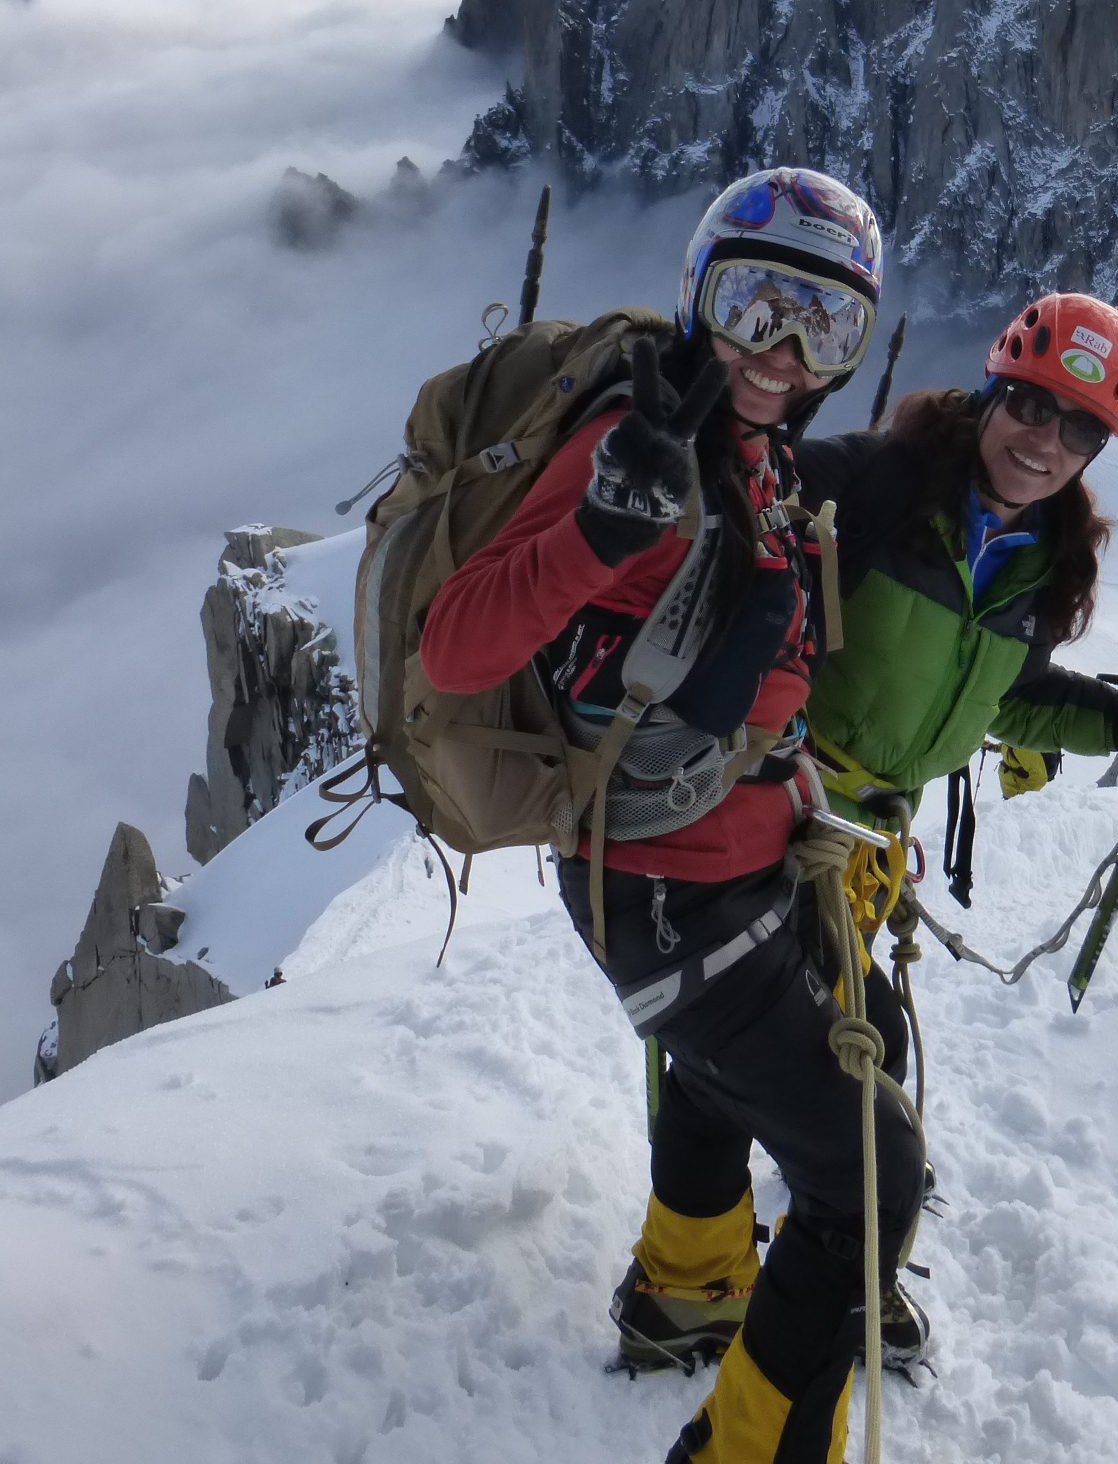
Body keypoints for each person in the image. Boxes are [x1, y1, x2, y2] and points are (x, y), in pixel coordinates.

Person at [611, 289, 1118, 1383]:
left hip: (858, 851)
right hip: (768, 820)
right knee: (844, 1067)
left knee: (730, 1067)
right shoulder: (871, 485)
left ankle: (689, 1288)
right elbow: (729, 521)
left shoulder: (1033, 558)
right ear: (994, 386)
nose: (1047, 441)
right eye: (1032, 405)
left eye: (1082, 428)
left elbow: (1005, 700)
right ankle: (805, 1275)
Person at [418, 167, 917, 1464]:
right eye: (758, 308)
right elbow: (460, 647)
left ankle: (686, 1289)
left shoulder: (754, 447)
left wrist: (793, 778)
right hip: (661, 887)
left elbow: (739, 663)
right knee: (876, 1177)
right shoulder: (630, 445)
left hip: (735, 851)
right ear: (703, 296)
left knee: (862, 1027)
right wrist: (593, 526)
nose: (784, 354)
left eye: (824, 328)